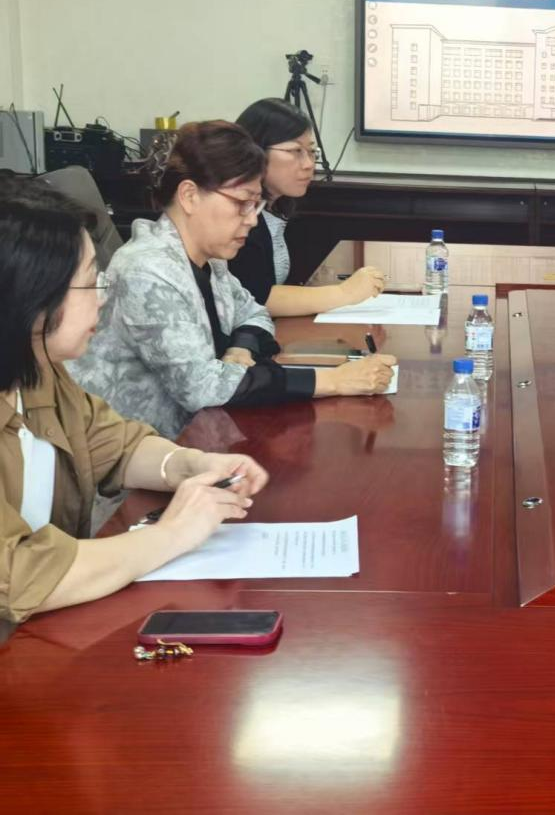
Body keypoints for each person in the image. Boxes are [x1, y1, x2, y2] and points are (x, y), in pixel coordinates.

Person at [0, 182, 268, 626]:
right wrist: (173, 534)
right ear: (31, 300)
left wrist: (192, 465)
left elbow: (117, 445)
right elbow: (21, 574)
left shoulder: (39, 371)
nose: (103, 298)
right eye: (90, 281)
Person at [70, 121, 396, 439]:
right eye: (242, 203)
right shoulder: (147, 271)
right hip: (134, 455)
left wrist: (241, 348)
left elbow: (255, 312)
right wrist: (334, 381)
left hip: (199, 437)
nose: (252, 219)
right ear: (190, 195)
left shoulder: (210, 260)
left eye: (256, 204)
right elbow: (202, 387)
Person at [232, 98, 386, 315]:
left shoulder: (275, 207)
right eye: (295, 151)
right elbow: (256, 297)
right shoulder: (238, 215)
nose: (308, 164)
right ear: (255, 150)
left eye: (312, 152)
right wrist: (344, 293)